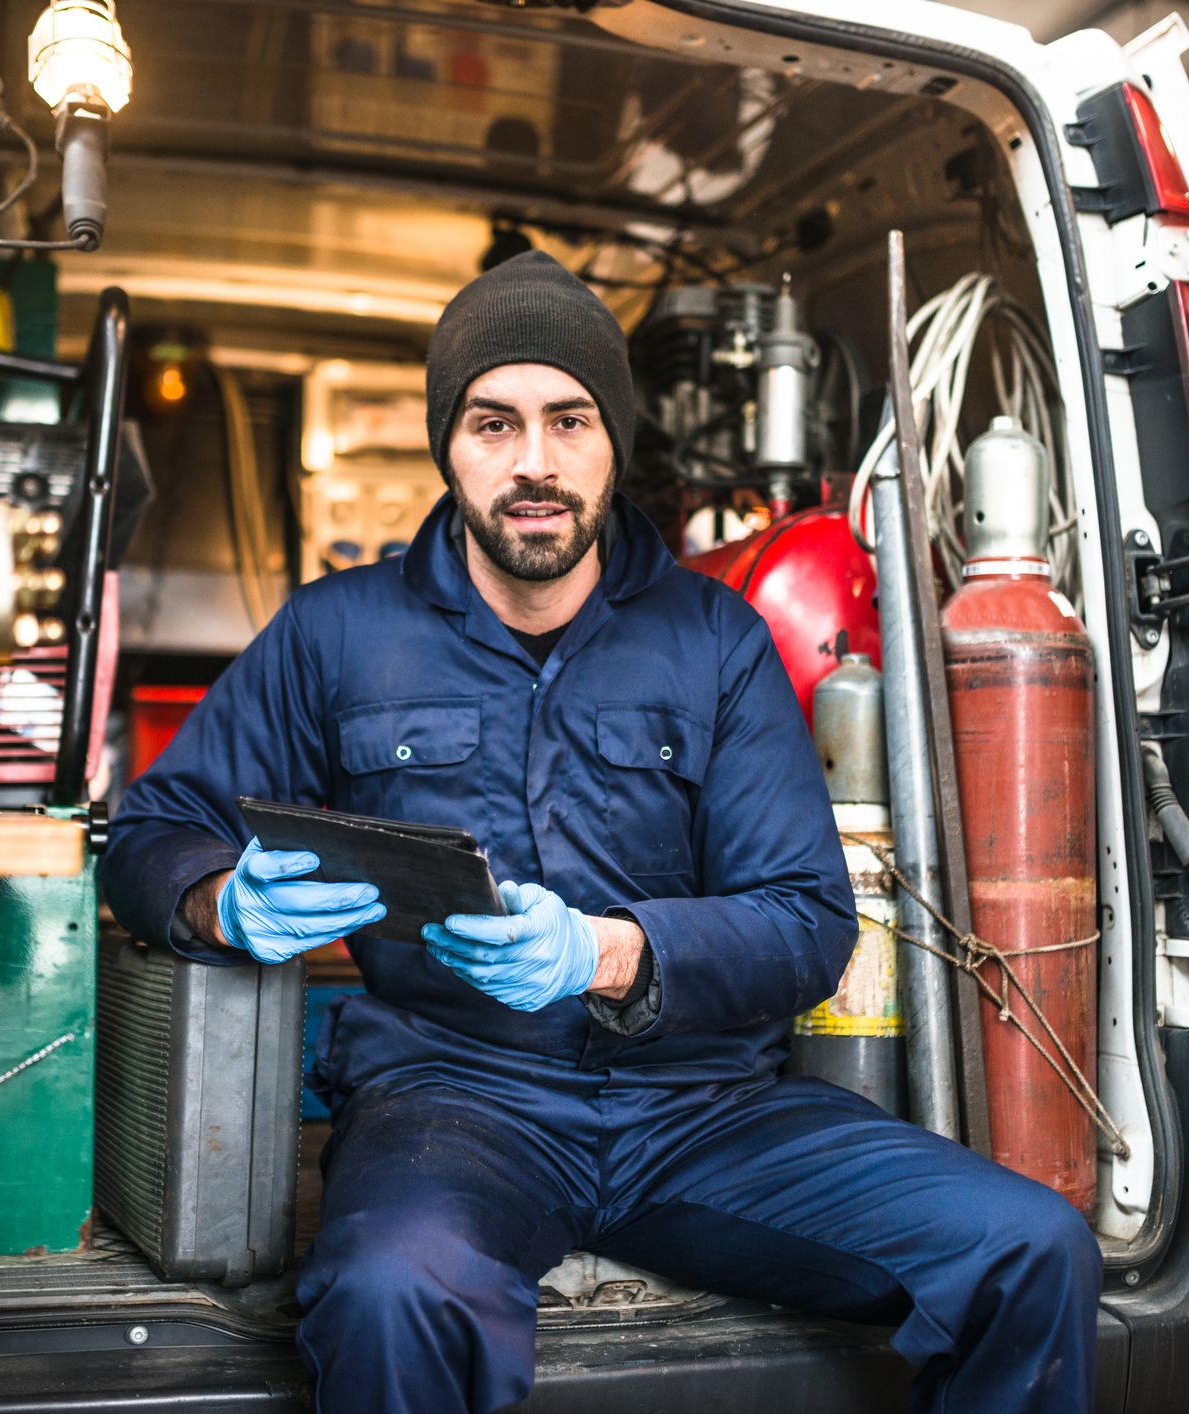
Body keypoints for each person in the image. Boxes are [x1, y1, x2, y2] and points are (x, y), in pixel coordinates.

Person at [104, 249, 1100, 1412]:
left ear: (615, 441)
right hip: (454, 1102)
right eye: (493, 423)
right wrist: (218, 898)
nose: (532, 461)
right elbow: (152, 828)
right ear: (447, 444)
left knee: (1030, 1249)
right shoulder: (337, 634)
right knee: (388, 1289)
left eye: (568, 420)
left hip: (705, 1111)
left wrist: (606, 952)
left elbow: (807, 923)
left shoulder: (715, 642)